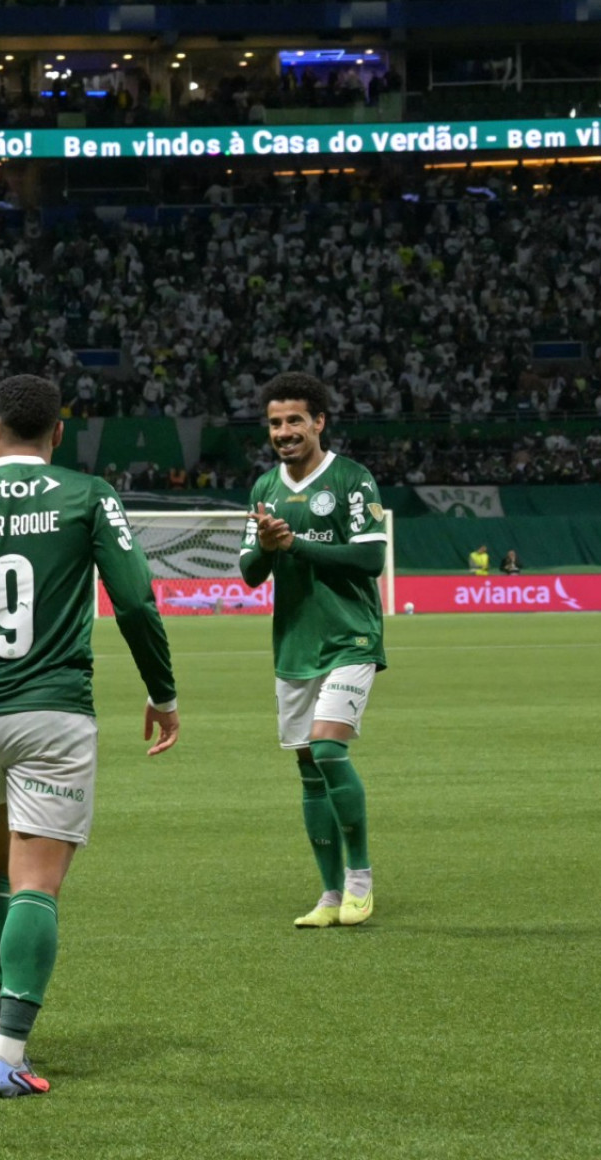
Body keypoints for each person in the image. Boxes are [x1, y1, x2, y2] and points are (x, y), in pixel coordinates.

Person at [0, 375, 177, 1100]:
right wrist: (162, 693)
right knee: (37, 883)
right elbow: (137, 601)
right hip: (53, 712)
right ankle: (10, 1056)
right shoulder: (88, 495)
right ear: (59, 433)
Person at [239, 371, 386, 930]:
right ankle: (328, 894)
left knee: (327, 752)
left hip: (350, 635)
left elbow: (371, 559)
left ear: (319, 421)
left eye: (295, 420)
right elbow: (251, 574)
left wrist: (294, 543)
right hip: (295, 642)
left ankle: (360, 881)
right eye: (276, 423)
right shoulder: (263, 490)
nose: (284, 431)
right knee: (306, 768)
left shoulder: (352, 479)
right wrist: (270, 547)